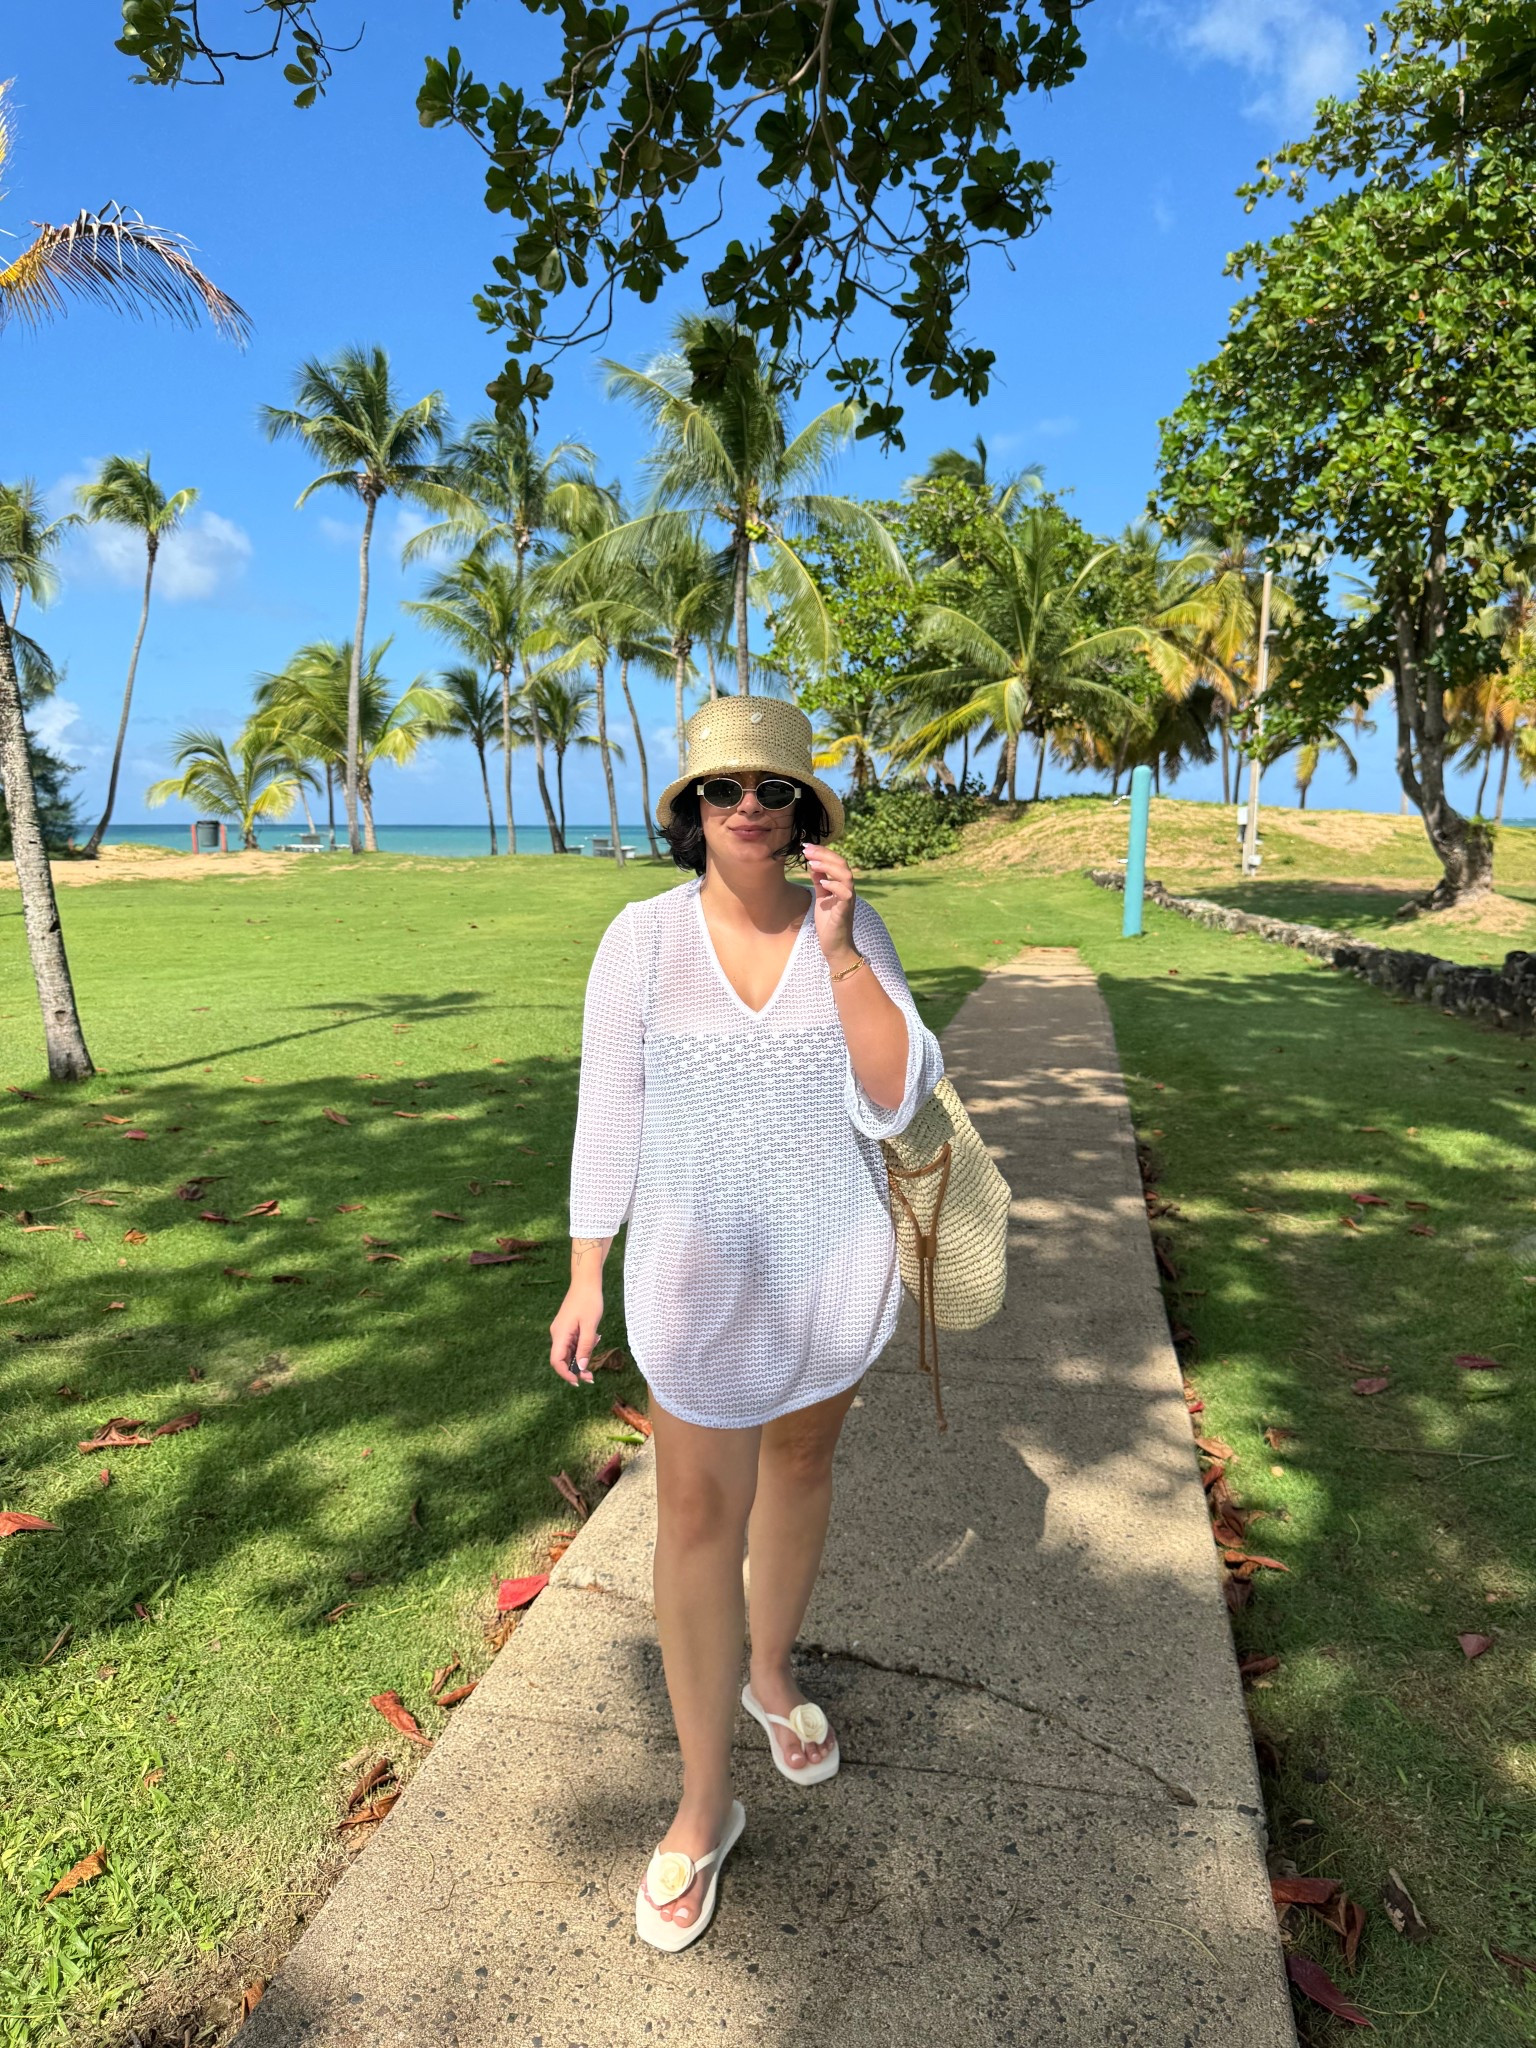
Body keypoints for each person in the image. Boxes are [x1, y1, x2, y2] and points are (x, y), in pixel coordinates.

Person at [549, 697, 942, 1952]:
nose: (751, 809)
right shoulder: (641, 941)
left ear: (808, 809)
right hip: (693, 1277)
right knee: (695, 1517)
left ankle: (775, 1675)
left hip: (831, 1261)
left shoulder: (854, 926)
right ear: (690, 812)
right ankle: (704, 1802)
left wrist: (836, 942)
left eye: (776, 789)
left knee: (803, 1465)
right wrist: (583, 1270)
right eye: (725, 791)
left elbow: (896, 1097)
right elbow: (608, 1109)